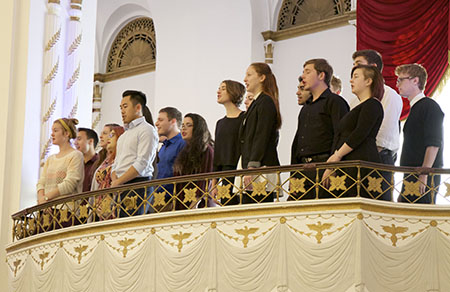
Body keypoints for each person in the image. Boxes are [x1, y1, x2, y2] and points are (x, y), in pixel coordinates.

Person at [322, 65, 384, 199]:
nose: (351, 81)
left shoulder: (373, 104)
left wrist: (337, 156)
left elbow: (359, 134)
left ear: (368, 81)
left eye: (356, 77)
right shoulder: (360, 106)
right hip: (350, 163)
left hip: (361, 163)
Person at [291, 58, 349, 200]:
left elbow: (340, 135)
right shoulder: (306, 107)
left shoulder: (335, 102)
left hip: (324, 167)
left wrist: (331, 167)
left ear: (321, 76)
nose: (303, 76)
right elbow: (299, 141)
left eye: (308, 72)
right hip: (303, 169)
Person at [395, 64, 444, 204]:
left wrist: (424, 174)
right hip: (413, 175)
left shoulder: (429, 106)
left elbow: (434, 144)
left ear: (415, 81)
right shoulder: (417, 108)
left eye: (401, 80)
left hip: (422, 177)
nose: (397, 84)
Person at [111, 90, 159, 216]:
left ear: (138, 107)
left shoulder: (147, 130)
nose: (122, 111)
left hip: (138, 185)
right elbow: (116, 163)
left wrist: (118, 182)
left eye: (125, 107)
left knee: (131, 230)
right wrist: (114, 178)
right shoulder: (124, 135)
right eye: (120, 107)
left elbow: (142, 163)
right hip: (121, 186)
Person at [352, 50, 402, 166]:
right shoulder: (355, 100)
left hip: (379, 157)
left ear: (373, 67)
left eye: (358, 64)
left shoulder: (389, 95)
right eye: (353, 65)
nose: (354, 68)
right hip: (356, 157)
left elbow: (383, 133)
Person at [240, 62, 281, 203]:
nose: (245, 79)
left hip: (260, 167)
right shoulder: (257, 102)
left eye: (249, 74)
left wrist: (252, 167)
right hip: (252, 166)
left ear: (262, 77)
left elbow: (261, 136)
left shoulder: (265, 101)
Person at [212, 80, 245, 205]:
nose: (218, 91)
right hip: (225, 175)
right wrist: (214, 184)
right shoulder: (220, 123)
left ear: (233, 92)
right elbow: (218, 155)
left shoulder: (244, 118)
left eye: (223, 88)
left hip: (240, 172)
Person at [37, 118, 84, 204]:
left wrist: (46, 198)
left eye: (55, 131)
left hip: (65, 209)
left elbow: (69, 184)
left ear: (67, 133)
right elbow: (41, 182)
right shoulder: (50, 159)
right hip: (46, 208)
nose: (52, 134)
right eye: (52, 131)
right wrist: (41, 199)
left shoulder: (76, 155)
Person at [173, 113, 214, 210]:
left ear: (198, 128)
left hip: (199, 205)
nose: (184, 128)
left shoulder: (207, 150)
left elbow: (205, 179)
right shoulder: (184, 152)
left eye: (189, 125)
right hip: (183, 202)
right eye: (182, 126)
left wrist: (194, 203)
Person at [154, 107, 185, 208]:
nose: (156, 123)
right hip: (158, 199)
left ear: (173, 121)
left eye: (161, 120)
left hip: (172, 200)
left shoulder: (182, 143)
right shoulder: (164, 146)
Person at [75, 128, 99, 192]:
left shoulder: (100, 163)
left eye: (79, 139)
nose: (75, 143)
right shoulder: (75, 163)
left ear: (90, 141)